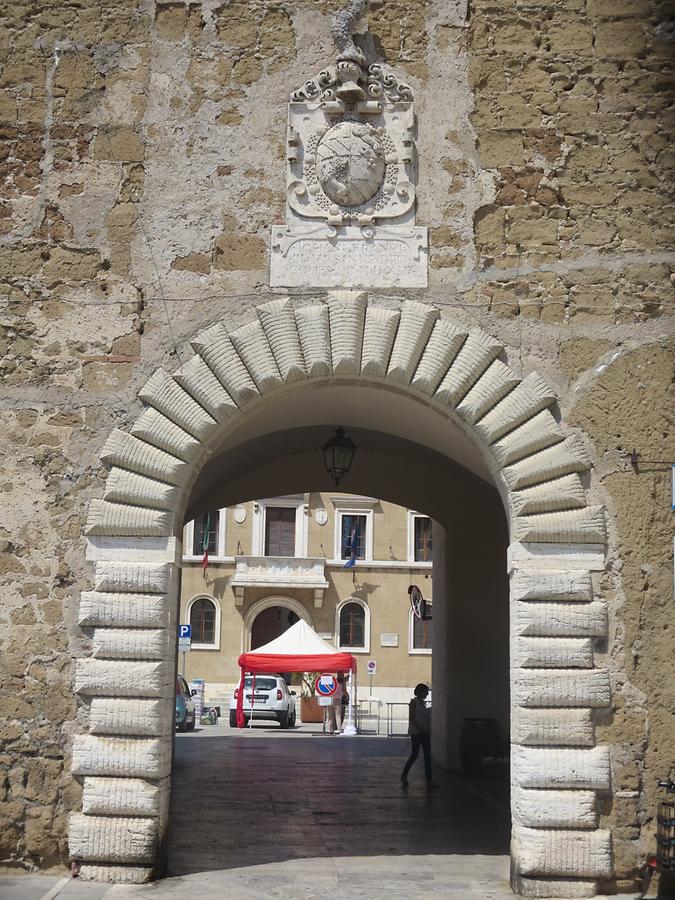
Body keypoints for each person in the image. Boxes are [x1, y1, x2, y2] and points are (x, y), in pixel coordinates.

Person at [401, 683, 432, 784]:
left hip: (425, 732)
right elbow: (412, 719)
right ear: (420, 691)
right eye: (426, 692)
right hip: (416, 733)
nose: (427, 694)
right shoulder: (413, 703)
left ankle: (429, 779)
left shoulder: (423, 703)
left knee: (427, 755)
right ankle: (404, 775)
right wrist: (421, 729)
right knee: (414, 755)